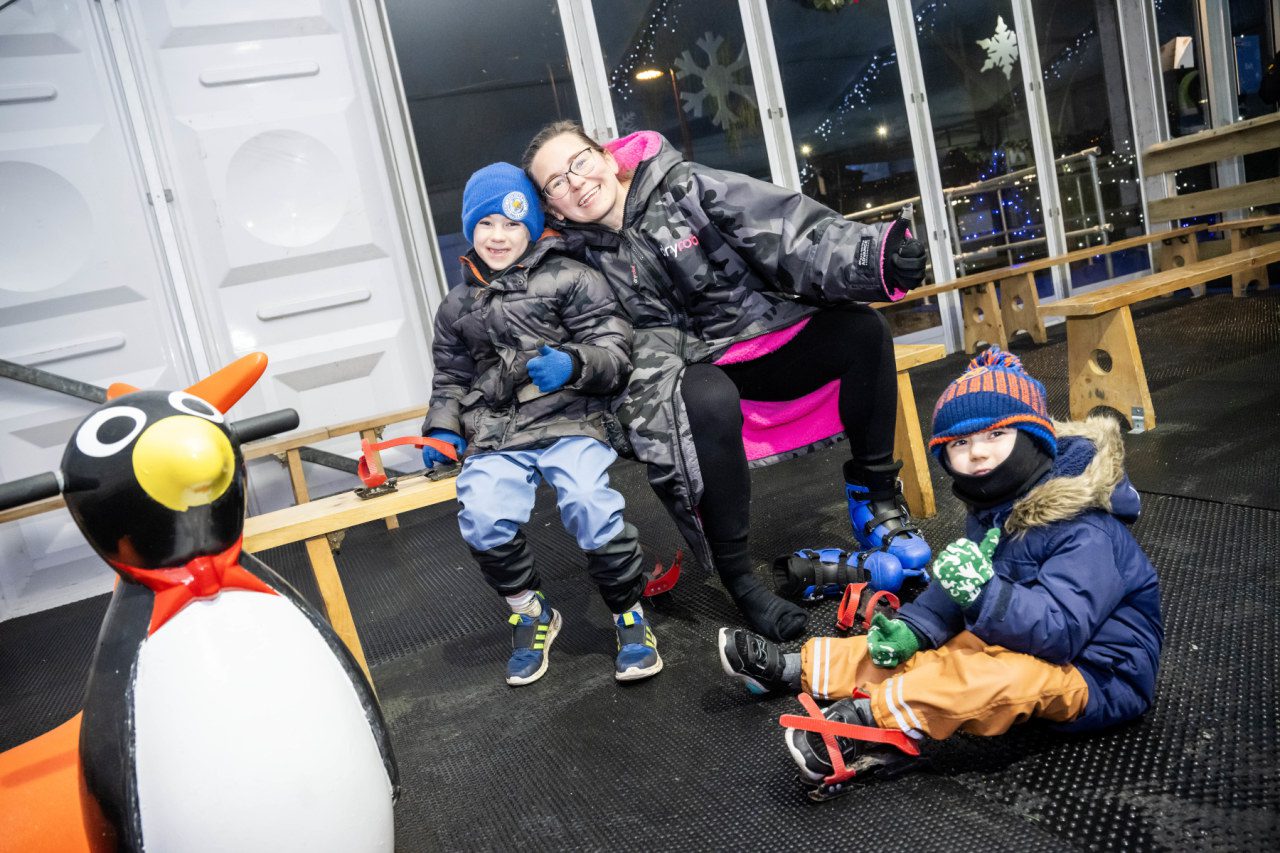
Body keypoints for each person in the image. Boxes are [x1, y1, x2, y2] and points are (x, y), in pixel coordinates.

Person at [523, 123, 931, 643]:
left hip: (755, 339)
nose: (576, 182)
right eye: (556, 182)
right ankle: (739, 577)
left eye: (578, 162)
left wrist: (870, 254)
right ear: (552, 207)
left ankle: (875, 498)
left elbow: (785, 229)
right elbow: (533, 333)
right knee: (705, 399)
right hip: (675, 375)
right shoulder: (572, 263)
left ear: (604, 155)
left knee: (861, 330)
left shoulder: (685, 185)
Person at [718, 347, 1163, 787]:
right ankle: (797, 668)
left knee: (989, 675)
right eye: (960, 443)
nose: (977, 454)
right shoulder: (996, 509)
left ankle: (874, 720)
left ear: (1033, 438)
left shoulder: (1088, 530)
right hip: (1018, 632)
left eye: (996, 435)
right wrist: (914, 628)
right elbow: (954, 595)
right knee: (920, 647)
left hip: (1097, 674)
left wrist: (982, 595)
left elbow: (1061, 632)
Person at [421, 162, 661, 685]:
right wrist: (443, 427)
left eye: (511, 224)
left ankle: (627, 614)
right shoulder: (457, 304)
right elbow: (451, 378)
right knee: (481, 514)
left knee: (587, 502)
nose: (499, 236)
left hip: (570, 417)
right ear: (470, 230)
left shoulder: (571, 275)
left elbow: (614, 348)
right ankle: (531, 612)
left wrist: (574, 364)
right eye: (486, 224)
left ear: (532, 226)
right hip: (497, 432)